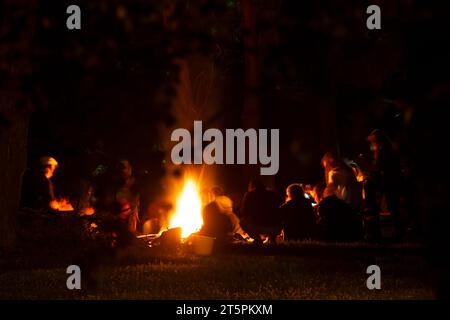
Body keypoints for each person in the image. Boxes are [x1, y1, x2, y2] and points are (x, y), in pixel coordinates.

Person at [366, 129, 404, 240]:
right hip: (389, 182)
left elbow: (384, 169)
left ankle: (395, 232)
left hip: (390, 182)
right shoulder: (384, 150)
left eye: (373, 141)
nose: (372, 145)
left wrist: (374, 176)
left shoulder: (385, 151)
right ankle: (395, 232)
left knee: (393, 207)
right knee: (393, 207)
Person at [240, 179, 282, 244]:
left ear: (252, 186)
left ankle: (257, 239)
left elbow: (244, 211)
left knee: (243, 221)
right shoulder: (272, 194)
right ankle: (272, 238)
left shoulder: (250, 195)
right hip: (276, 227)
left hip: (259, 225)